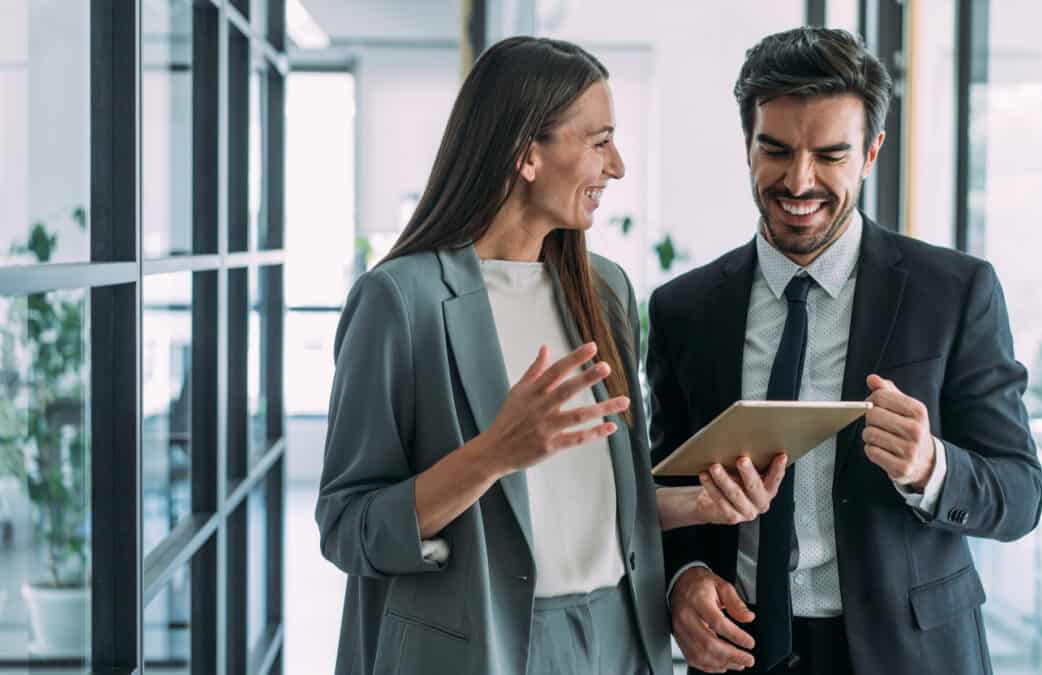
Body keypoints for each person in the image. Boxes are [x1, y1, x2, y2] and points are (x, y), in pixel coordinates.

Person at [315, 36, 787, 675]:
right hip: (479, 648)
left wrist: (702, 504)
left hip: (618, 639)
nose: (617, 167)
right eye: (599, 142)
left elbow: (594, 502)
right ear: (526, 153)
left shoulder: (604, 290)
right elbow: (349, 528)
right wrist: (494, 454)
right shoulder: (400, 300)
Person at [647, 27, 1042, 675]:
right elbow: (667, 485)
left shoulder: (954, 293)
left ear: (871, 152)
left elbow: (1021, 494)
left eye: (830, 155)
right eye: (775, 150)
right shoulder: (682, 310)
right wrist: (682, 578)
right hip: (740, 651)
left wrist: (931, 465)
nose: (799, 181)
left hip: (910, 654)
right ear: (746, 145)